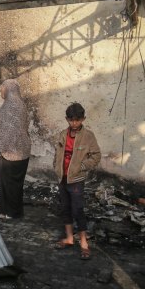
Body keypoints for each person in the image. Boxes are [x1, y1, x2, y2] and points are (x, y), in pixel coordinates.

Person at [53, 103, 101, 260]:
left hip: (76, 180)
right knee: (65, 208)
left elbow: (96, 155)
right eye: (71, 120)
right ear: (67, 119)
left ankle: (84, 244)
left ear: (83, 119)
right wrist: (56, 167)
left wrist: (82, 166)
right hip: (63, 178)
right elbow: (57, 154)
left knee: (78, 210)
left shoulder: (88, 136)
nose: (74, 123)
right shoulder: (62, 134)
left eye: (77, 120)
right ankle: (69, 238)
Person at [0, 79, 31, 219]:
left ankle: (11, 212)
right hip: (12, 150)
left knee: (10, 184)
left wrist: (2, 147)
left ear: (9, 89)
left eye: (2, 89)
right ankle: (5, 209)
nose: (0, 91)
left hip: (11, 151)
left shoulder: (13, 106)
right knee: (8, 183)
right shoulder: (14, 104)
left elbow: (9, 132)